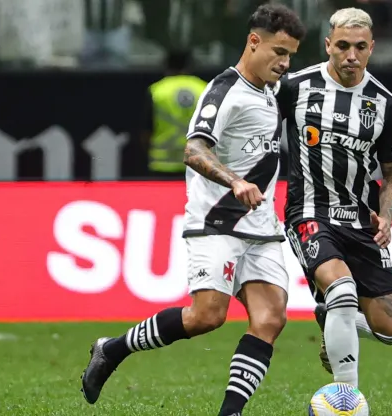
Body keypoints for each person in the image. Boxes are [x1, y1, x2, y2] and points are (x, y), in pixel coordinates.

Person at [80, 4, 305, 415]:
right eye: (278, 52)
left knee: (270, 319)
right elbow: (194, 149)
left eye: (290, 55)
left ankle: (230, 413)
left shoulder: (273, 90)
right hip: (217, 222)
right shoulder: (224, 90)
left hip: (262, 226)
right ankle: (112, 350)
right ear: (253, 42)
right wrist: (235, 180)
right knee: (206, 317)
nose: (284, 63)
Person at [275, 7, 392, 388]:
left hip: (360, 220)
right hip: (309, 213)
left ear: (371, 49)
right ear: (328, 45)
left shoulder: (385, 104)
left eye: (361, 47)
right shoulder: (295, 87)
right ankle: (346, 400)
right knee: (343, 291)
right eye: (344, 46)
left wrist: (386, 215)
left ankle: (332, 314)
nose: (352, 55)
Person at [142, 50, 208, 177]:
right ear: (190, 66)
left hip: (162, 165)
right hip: (199, 164)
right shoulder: (204, 89)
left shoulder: (157, 90)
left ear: (167, 66)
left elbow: (146, 131)